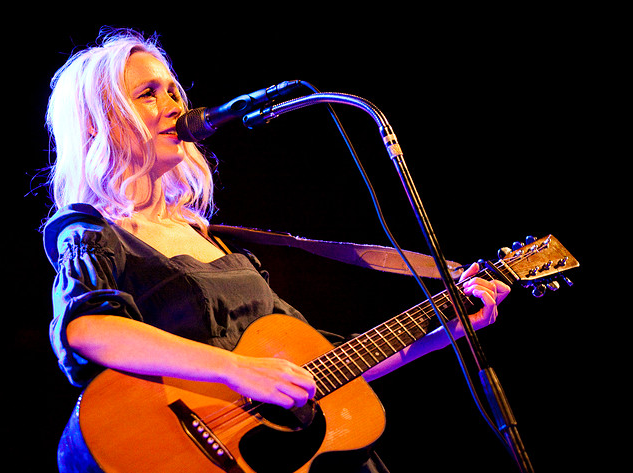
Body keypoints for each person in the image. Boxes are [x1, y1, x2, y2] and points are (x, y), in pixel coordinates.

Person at [43, 28, 510, 473]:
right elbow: (88, 328)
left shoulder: (213, 240)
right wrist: (235, 370)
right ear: (94, 121)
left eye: (173, 92)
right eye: (148, 94)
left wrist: (445, 328)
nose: (172, 106)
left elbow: (321, 367)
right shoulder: (91, 230)